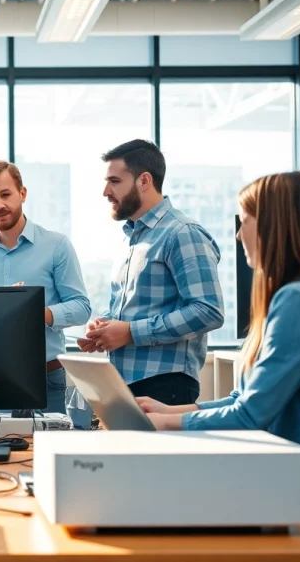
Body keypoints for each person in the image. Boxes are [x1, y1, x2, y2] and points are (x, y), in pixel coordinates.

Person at [138, 171, 300, 489]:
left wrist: (164, 423)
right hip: (296, 466)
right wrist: (171, 410)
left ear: (274, 226)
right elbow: (245, 398)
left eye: (245, 220)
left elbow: (250, 415)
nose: (238, 235)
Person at [78, 139, 224, 411]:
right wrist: (106, 328)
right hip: (124, 382)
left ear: (144, 180)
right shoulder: (131, 239)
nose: (105, 191)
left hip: (165, 386)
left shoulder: (182, 233)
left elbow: (209, 311)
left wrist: (131, 332)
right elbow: (139, 311)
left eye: (114, 181)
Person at [0, 160, 91, 417]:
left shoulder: (56, 245)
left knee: (46, 454)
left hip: (46, 377)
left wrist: (32, 311)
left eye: (5, 194)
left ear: (22, 193)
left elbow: (81, 307)